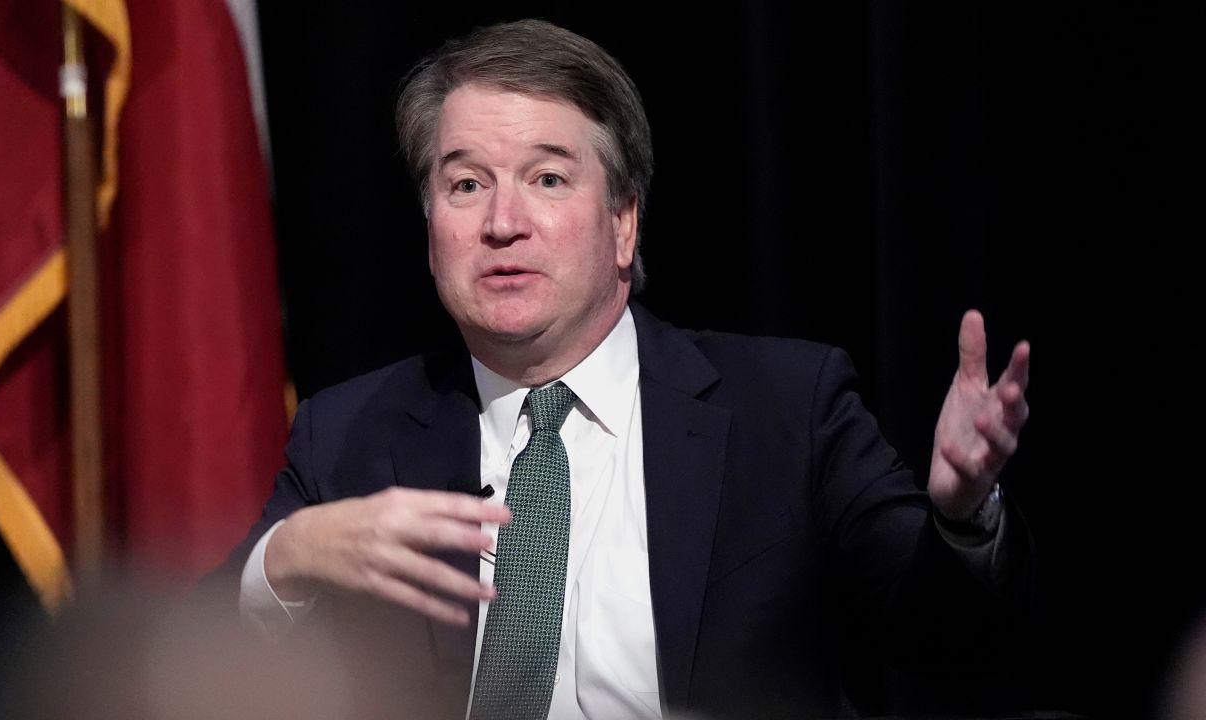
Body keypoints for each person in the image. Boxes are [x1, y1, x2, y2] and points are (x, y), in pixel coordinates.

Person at [222, 18, 1033, 720]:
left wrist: (963, 518)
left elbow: (941, 636)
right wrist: (286, 557)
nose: (503, 223)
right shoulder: (348, 435)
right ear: (430, 225)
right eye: (466, 183)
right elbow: (182, 673)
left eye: (547, 179)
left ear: (623, 224)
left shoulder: (786, 411)